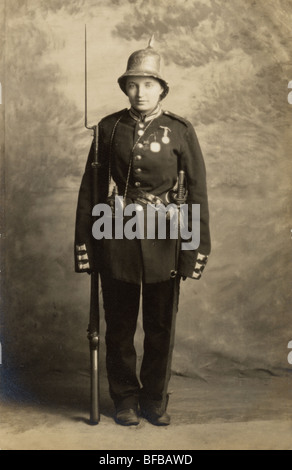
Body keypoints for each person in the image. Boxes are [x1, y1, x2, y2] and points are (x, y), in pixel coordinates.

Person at [74, 38, 211, 426]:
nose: (139, 92)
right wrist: (86, 246)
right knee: (118, 326)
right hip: (115, 237)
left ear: (162, 88)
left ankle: (155, 400)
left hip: (165, 242)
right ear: (125, 88)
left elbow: (196, 193)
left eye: (148, 84)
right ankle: (125, 400)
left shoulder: (180, 130)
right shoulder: (108, 127)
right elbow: (92, 190)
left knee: (160, 326)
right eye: (132, 84)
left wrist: (192, 250)